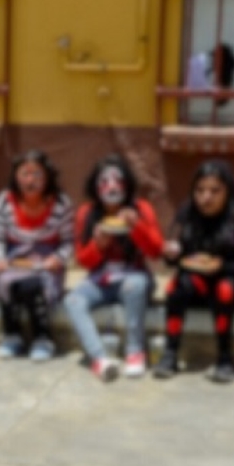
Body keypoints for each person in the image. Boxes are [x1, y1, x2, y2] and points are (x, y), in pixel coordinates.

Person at [64, 154, 165, 382]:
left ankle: (135, 351)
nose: (111, 186)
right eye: (104, 181)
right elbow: (83, 259)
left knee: (134, 285)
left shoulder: (142, 208)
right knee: (73, 300)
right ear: (95, 186)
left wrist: (136, 225)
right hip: (101, 279)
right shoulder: (87, 213)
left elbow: (156, 250)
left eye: (117, 180)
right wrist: (98, 245)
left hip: (135, 276)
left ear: (127, 184)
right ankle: (100, 359)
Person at [155, 158, 234, 383]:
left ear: (227, 191)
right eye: (199, 190)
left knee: (225, 289)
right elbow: (172, 259)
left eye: (214, 191)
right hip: (196, 283)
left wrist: (220, 266)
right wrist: (171, 252)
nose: (205, 198)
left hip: (228, 283)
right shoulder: (187, 212)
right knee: (175, 286)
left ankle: (225, 359)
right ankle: (170, 353)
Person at [0, 149, 75, 361]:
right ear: (16, 177)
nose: (30, 180)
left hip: (47, 259)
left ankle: (43, 338)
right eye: (25, 174)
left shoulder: (61, 204)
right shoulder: (4, 201)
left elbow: (69, 242)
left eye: (37, 174)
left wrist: (58, 259)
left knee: (34, 285)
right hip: (14, 258)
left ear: (47, 177)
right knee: (4, 281)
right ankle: (12, 336)